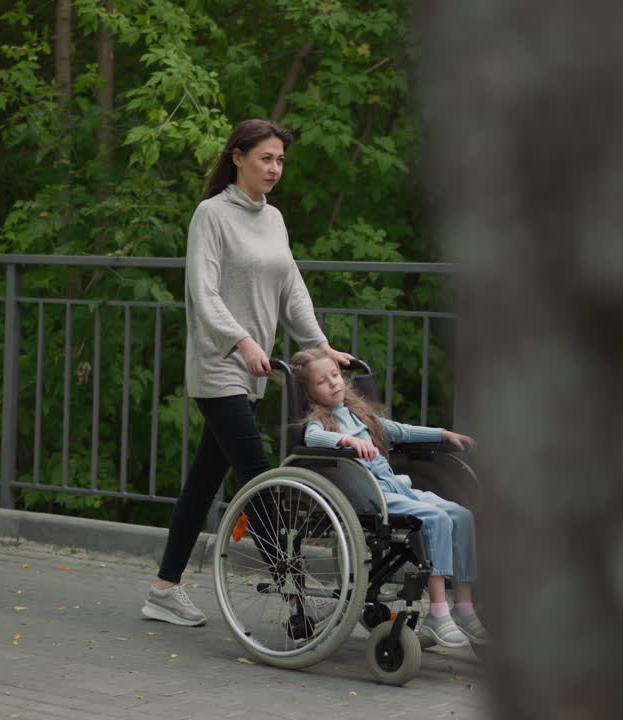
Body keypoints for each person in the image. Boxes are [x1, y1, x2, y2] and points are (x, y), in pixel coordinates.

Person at [142, 119, 353, 627]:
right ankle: (298, 597)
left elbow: (292, 291)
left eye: (280, 160)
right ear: (237, 157)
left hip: (254, 369)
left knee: (202, 482)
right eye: (266, 158)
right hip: (219, 365)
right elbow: (203, 292)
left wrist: (322, 348)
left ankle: (163, 591)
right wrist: (240, 340)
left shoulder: (274, 219)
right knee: (258, 475)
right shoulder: (210, 215)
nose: (275, 168)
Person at [289, 347, 488, 648]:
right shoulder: (321, 422)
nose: (333, 383)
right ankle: (438, 612)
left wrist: (444, 434)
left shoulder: (359, 414)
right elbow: (312, 438)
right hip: (370, 496)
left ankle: (463, 608)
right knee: (436, 518)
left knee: (462, 515)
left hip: (397, 488)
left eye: (335, 375)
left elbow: (401, 432)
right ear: (309, 392)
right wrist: (346, 441)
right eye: (322, 381)